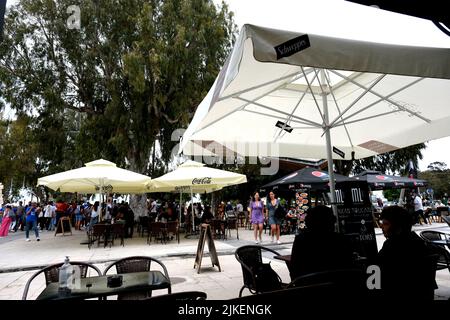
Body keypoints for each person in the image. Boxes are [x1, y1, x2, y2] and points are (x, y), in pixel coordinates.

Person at [377, 206, 437, 300]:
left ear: (397, 227)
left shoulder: (392, 245)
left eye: (386, 223)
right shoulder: (419, 242)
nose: (381, 227)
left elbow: (377, 270)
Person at [290, 205, 354, 280]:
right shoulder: (342, 239)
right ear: (332, 222)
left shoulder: (301, 240)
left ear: (309, 222)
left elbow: (294, 270)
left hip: (308, 285)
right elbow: (349, 266)